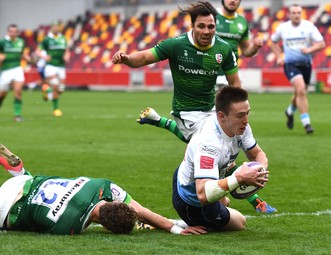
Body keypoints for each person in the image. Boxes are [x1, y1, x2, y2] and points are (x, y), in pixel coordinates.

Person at [112, 1, 276, 214]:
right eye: (201, 26)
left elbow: (235, 84)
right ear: (192, 26)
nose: (206, 31)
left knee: (221, 159)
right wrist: (126, 59)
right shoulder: (176, 45)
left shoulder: (223, 49)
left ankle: (158, 121)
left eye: (211, 26)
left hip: (211, 110)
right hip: (186, 113)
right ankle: (256, 201)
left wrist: (238, 111)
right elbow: (143, 57)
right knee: (220, 150)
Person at [0, 144, 206, 235]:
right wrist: (176, 228)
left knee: (37, 185)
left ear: (114, 202)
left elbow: (141, 211)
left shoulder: (102, 185)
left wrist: (176, 228)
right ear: (106, 227)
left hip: (25, 183)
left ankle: (19, 171)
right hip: (5, 208)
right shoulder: (70, 227)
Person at [172, 86, 272, 231]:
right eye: (240, 115)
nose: (246, 120)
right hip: (191, 200)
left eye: (247, 114)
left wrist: (259, 171)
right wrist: (239, 178)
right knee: (240, 222)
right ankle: (177, 223)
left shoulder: (240, 127)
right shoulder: (209, 144)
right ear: (221, 116)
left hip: (194, 177)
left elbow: (257, 154)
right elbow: (203, 194)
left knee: (225, 202)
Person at [270, 4, 326, 134]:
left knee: (298, 93)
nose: (296, 15)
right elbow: (273, 42)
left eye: (298, 13)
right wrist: (279, 57)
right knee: (301, 90)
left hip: (306, 64)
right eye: (293, 13)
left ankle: (289, 111)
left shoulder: (309, 26)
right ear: (289, 15)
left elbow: (322, 44)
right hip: (291, 64)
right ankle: (307, 123)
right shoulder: (283, 28)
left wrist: (309, 50)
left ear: (302, 14)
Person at [215, 0, 263, 88]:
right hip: (210, 73)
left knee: (242, 102)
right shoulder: (212, 16)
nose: (232, 1)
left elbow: (246, 51)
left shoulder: (242, 21)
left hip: (231, 73)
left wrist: (255, 47)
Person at [35, 20, 70, 117]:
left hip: (61, 66)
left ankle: (47, 91)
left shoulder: (63, 38)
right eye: (54, 26)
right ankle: (56, 109)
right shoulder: (47, 39)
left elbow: (67, 50)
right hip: (50, 65)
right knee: (55, 85)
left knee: (61, 89)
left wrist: (67, 56)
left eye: (57, 26)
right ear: (51, 28)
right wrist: (44, 57)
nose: (56, 28)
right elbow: (37, 51)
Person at [0, 24, 31, 122]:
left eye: (15, 31)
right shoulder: (2, 42)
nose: (13, 33)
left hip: (17, 69)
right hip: (5, 70)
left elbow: (22, 53)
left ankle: (17, 115)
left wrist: (26, 57)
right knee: (2, 95)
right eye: (11, 31)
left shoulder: (21, 42)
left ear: (17, 32)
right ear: (8, 32)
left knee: (18, 91)